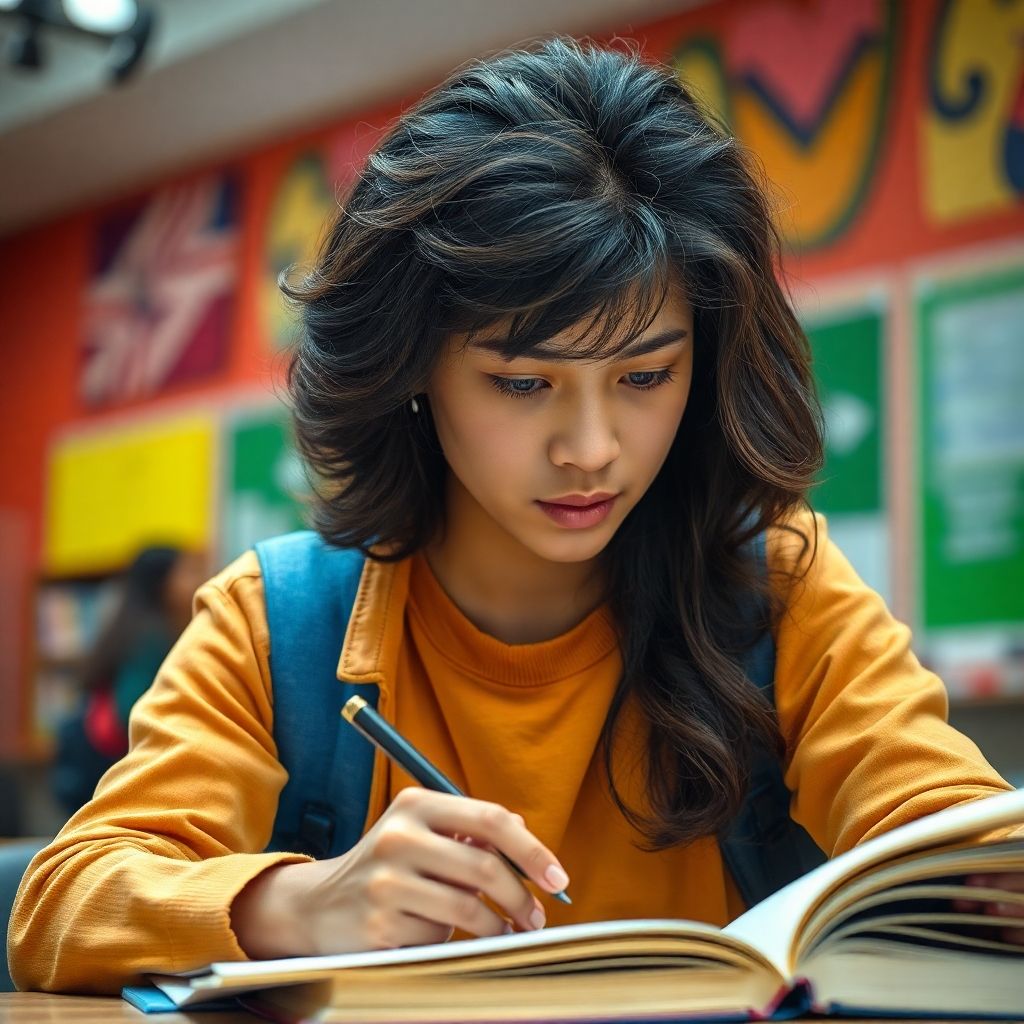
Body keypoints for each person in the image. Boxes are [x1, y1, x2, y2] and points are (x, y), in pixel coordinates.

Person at [8, 36, 1022, 993]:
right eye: (524, 383)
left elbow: (952, 829)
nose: (591, 447)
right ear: (415, 369)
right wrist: (303, 903)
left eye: (645, 375)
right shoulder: (278, 623)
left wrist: (984, 878)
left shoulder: (778, 587)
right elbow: (58, 907)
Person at [50, 545, 210, 817]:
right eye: (188, 572)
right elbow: (131, 709)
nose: (200, 581)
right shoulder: (152, 637)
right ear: (161, 582)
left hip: (108, 766)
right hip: (120, 766)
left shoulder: (133, 625)